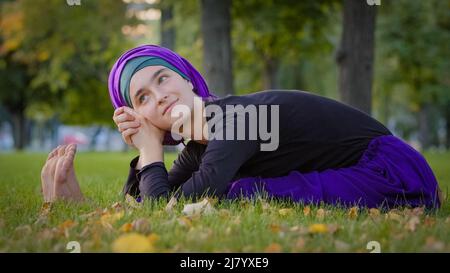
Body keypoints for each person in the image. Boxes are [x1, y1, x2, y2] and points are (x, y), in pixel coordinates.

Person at [40, 44, 443, 209]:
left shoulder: (235, 120)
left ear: (187, 79)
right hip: (358, 169)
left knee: (238, 192)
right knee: (229, 192)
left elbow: (175, 207)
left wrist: (149, 150)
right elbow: (157, 201)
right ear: (140, 115)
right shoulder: (198, 143)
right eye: (142, 98)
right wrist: (85, 205)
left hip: (390, 170)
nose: (158, 96)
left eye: (162, 79)